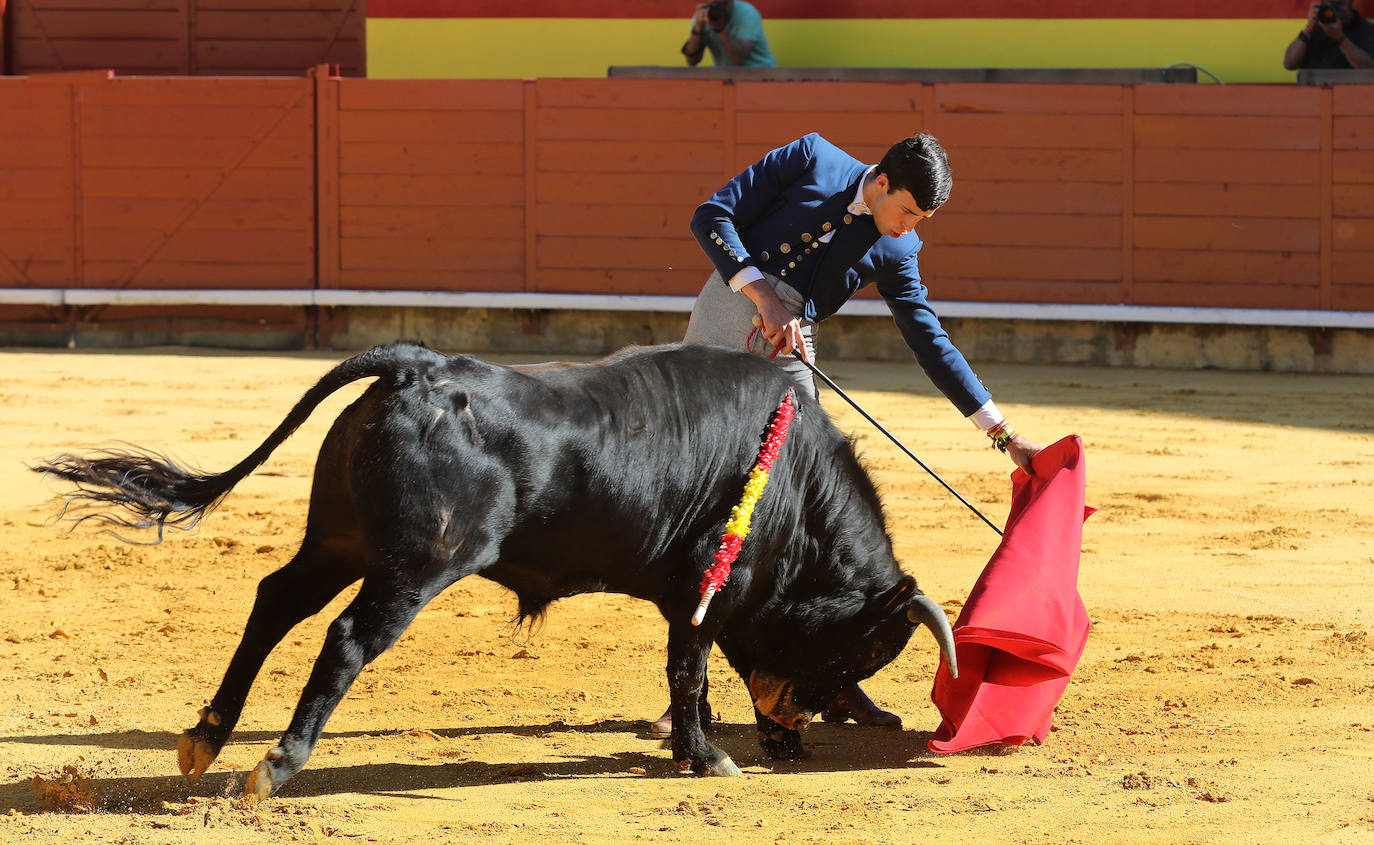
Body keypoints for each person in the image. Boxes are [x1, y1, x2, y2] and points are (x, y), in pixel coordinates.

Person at [649, 131, 1042, 740]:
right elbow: (712, 217)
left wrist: (1001, 433)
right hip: (722, 322)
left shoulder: (899, 245)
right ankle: (688, 691)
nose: (909, 228)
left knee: (806, 506)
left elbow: (928, 337)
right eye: (908, 211)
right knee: (702, 499)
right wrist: (761, 294)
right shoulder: (812, 158)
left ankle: (827, 677)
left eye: (922, 219)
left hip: (788, 348)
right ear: (881, 182)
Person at [681, 0, 776, 68]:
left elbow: (739, 59)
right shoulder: (703, 16)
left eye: (724, 3)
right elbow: (692, 61)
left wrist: (720, 29)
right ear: (705, 3)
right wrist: (698, 28)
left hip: (761, 73)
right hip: (728, 76)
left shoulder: (747, 13)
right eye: (715, 4)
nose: (721, 9)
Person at [1283, 0, 1374, 70]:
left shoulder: (1367, 30)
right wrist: (1309, 27)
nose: (1336, 10)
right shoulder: (1317, 28)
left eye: (1340, 4)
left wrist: (1339, 38)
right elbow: (1289, 64)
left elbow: (1369, 68)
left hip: (1353, 91)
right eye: (1331, 4)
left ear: (1351, 3)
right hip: (1313, 90)